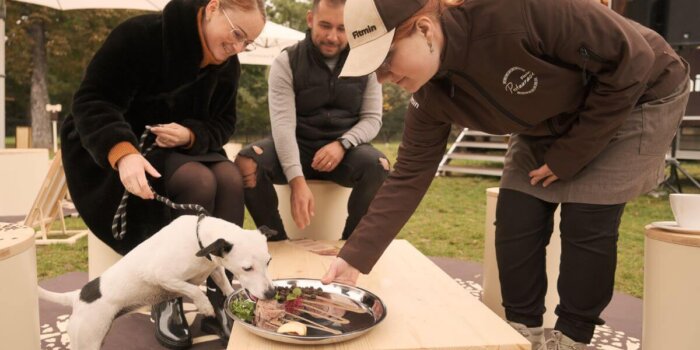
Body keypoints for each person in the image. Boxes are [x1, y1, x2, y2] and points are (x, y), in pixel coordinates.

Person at [320, 0, 690, 348]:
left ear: (425, 29)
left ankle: (572, 336)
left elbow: (632, 60)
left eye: (386, 59)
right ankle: (522, 328)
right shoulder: (430, 99)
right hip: (550, 115)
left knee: (586, 216)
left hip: (637, 90)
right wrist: (355, 257)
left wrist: (569, 156)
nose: (384, 78)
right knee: (516, 214)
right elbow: (409, 174)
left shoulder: (519, 9)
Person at [60, 0, 265, 348]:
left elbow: (224, 123)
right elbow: (93, 100)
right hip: (126, 145)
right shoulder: (140, 35)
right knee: (198, 182)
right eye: (236, 35)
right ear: (213, 7)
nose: (238, 48)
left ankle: (223, 296)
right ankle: (166, 297)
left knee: (229, 179)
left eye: (247, 43)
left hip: (186, 149)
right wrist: (122, 153)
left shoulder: (228, 64)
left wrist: (191, 135)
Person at [234, 0, 389, 241]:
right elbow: (283, 126)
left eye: (342, 28)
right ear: (310, 19)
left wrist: (343, 144)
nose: (332, 37)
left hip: (345, 153)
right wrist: (296, 181)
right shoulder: (286, 61)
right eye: (325, 26)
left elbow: (372, 119)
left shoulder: (366, 63)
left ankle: (350, 248)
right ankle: (276, 242)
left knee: (379, 165)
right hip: (296, 146)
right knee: (248, 163)